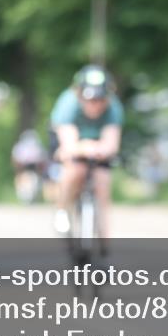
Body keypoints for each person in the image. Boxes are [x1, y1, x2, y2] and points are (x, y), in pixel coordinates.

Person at [49, 65, 124, 248]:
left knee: (103, 182)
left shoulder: (114, 108)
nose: (95, 104)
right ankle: (62, 210)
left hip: (97, 145)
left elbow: (112, 142)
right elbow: (68, 144)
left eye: (100, 99)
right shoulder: (68, 104)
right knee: (75, 170)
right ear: (79, 94)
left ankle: (104, 244)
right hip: (72, 139)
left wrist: (100, 149)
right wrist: (82, 148)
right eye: (89, 99)